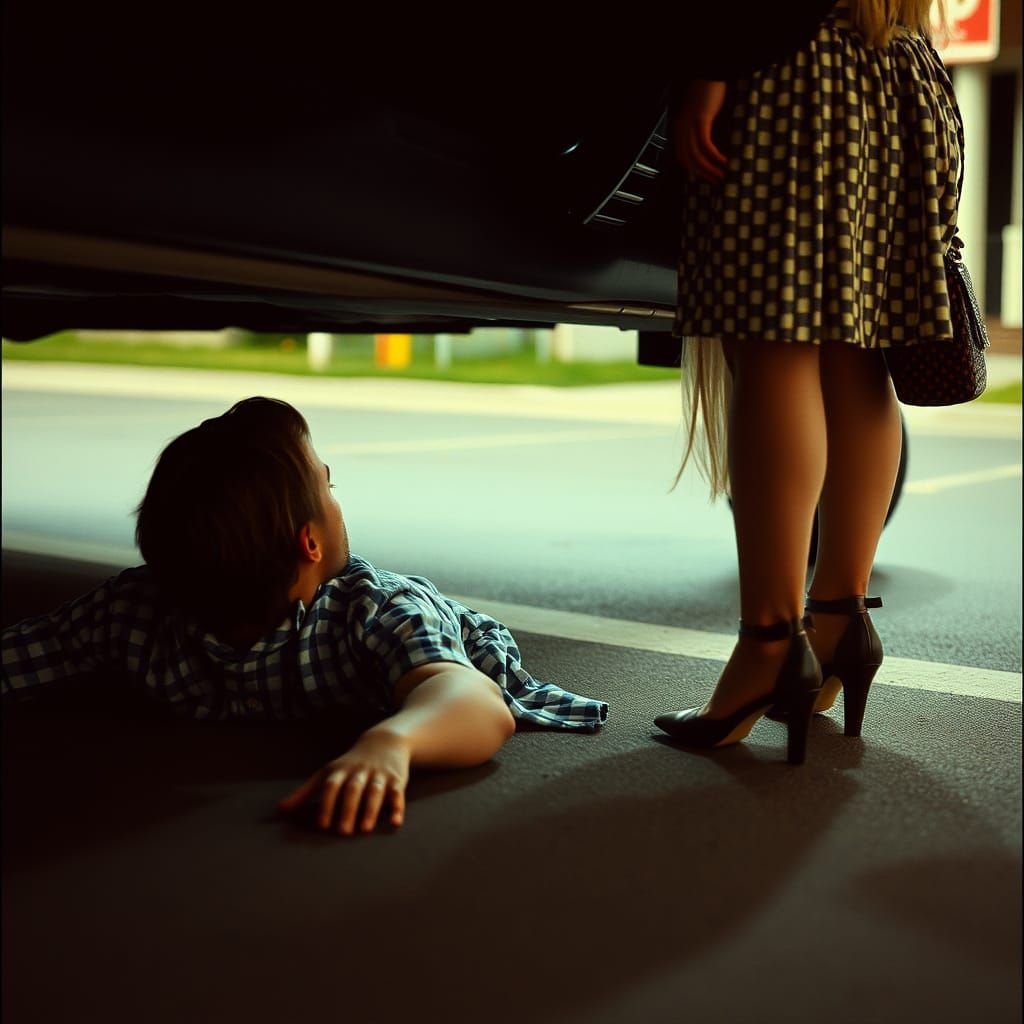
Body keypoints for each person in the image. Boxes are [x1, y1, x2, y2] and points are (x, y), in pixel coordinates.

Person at [1, 397, 608, 833]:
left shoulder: (378, 608)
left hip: (446, 651)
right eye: (328, 484)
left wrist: (394, 740)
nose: (336, 493)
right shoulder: (136, 609)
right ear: (309, 544)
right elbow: (21, 655)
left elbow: (474, 699)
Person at [655, 0, 959, 763]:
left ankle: (769, 643)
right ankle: (837, 619)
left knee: (774, 345)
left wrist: (715, 60)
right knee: (856, 352)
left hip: (791, 70)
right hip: (898, 69)